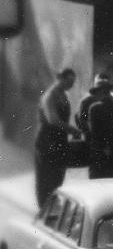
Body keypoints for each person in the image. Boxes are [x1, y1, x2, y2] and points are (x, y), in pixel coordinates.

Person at [33, 68, 77, 209]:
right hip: (47, 141)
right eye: (69, 81)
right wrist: (72, 130)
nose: (71, 85)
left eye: (73, 82)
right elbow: (53, 120)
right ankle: (44, 210)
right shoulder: (49, 96)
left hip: (59, 141)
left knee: (58, 177)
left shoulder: (63, 95)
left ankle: (53, 209)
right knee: (46, 178)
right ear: (60, 78)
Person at [78, 73, 113, 180]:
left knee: (98, 183)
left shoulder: (94, 108)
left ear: (100, 92)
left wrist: (103, 147)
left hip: (99, 150)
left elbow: (95, 131)